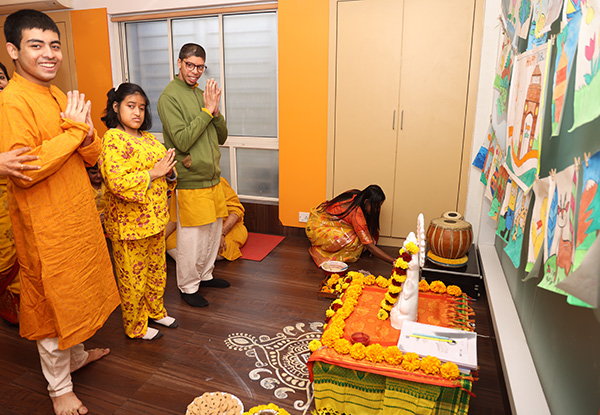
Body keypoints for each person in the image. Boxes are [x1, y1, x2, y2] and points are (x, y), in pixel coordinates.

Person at [0, 9, 120, 415]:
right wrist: (73, 132)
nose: (49, 54)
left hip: (76, 214)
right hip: (45, 226)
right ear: (13, 51)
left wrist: (84, 136)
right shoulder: (13, 101)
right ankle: (59, 389)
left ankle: (76, 356)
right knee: (52, 304)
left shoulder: (57, 94)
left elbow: (93, 153)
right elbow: (26, 170)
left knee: (79, 293)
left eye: (54, 45)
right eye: (36, 45)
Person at [99, 83, 178, 340]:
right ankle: (136, 326)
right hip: (129, 225)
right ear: (116, 107)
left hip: (155, 220)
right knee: (133, 279)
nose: (137, 113)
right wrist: (154, 172)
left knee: (157, 271)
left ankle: (155, 311)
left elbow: (166, 173)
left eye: (142, 108)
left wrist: (169, 172)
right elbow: (117, 182)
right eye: (131, 106)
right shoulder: (112, 139)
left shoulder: (149, 139)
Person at [157, 43, 230, 308]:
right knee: (192, 238)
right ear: (179, 63)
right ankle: (188, 286)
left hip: (212, 177)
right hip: (190, 178)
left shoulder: (202, 95)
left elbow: (221, 137)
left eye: (200, 67)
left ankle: (205, 275)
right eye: (190, 65)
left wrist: (215, 112)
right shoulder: (169, 97)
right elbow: (182, 140)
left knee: (212, 232)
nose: (195, 71)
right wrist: (206, 112)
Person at [305, 184, 396, 266]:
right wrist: (394, 261)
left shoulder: (355, 194)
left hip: (319, 220)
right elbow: (370, 246)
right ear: (366, 201)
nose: (378, 210)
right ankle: (321, 252)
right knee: (355, 242)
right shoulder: (356, 213)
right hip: (317, 227)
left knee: (361, 236)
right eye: (376, 206)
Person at [166, 176, 248, 261]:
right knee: (171, 242)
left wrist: (222, 234)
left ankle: (198, 259)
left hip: (224, 226)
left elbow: (235, 211)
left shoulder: (218, 181)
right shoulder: (182, 185)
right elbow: (174, 218)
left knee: (223, 247)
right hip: (195, 226)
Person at [86, 163, 106, 228]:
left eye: (101, 172)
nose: (98, 175)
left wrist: (105, 216)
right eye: (94, 173)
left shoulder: (108, 186)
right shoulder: (84, 187)